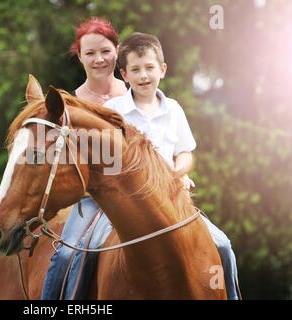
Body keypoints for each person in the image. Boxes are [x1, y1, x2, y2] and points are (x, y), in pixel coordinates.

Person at [103, 32, 241, 300]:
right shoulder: (113, 111)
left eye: (149, 68)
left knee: (223, 245)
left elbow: (186, 153)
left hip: (172, 201)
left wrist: (178, 173)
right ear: (124, 74)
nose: (144, 76)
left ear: (162, 70)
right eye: (136, 70)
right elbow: (107, 164)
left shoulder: (174, 109)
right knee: (82, 252)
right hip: (127, 205)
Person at [40, 17, 126, 300]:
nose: (99, 59)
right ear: (79, 56)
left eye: (105, 51)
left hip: (135, 196)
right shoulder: (71, 106)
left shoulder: (135, 93)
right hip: (90, 201)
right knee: (65, 256)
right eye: (90, 53)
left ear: (117, 50)